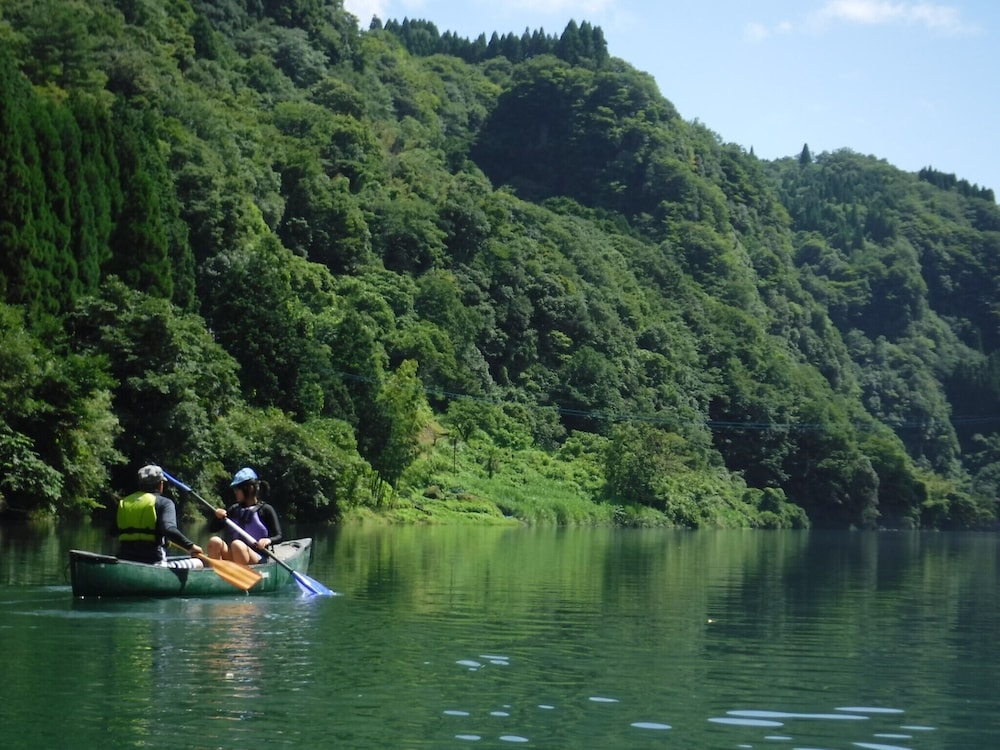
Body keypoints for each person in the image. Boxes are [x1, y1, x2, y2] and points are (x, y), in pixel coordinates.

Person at [115, 464, 204, 568]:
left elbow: (113, 531)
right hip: (154, 563)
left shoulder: (124, 502)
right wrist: (191, 547)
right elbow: (169, 529)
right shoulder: (164, 503)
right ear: (160, 484)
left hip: (124, 560)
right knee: (199, 563)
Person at [207, 467, 283, 567]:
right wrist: (218, 517)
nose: (235, 492)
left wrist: (268, 540)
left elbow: (279, 536)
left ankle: (242, 574)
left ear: (250, 488)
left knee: (237, 544)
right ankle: (217, 573)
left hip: (257, 557)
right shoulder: (234, 510)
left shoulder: (266, 510)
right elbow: (212, 529)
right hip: (235, 554)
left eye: (237, 489)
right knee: (214, 541)